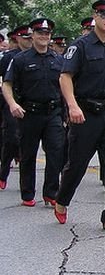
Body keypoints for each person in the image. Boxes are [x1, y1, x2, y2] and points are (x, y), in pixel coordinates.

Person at [54, 0, 105, 232]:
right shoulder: (80, 46)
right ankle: (62, 200)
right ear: (95, 17)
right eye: (104, 15)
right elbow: (65, 77)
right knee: (77, 164)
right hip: (86, 113)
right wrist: (72, 106)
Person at [1, 18, 65, 207]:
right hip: (30, 113)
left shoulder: (57, 59)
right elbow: (7, 84)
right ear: (33, 35)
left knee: (56, 152)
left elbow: (65, 85)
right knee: (28, 154)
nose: (44, 37)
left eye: (47, 34)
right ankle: (28, 193)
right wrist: (12, 104)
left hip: (53, 112)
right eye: (40, 33)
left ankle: (51, 193)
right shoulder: (20, 59)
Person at [0, 25, 34, 190]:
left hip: (30, 104)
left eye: (30, 38)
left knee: (27, 142)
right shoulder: (9, 58)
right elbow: (3, 82)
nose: (28, 41)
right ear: (17, 39)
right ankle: (3, 172)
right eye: (25, 38)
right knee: (12, 139)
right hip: (11, 102)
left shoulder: (36, 56)